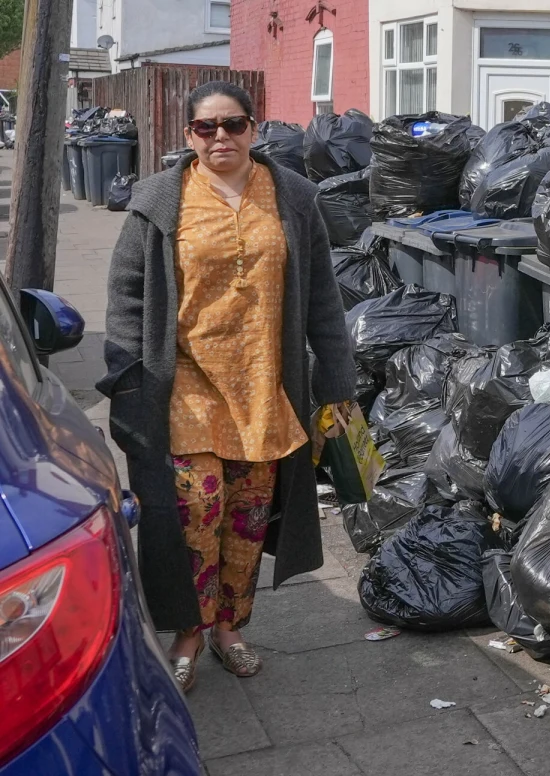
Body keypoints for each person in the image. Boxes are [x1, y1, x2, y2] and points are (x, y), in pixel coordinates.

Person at [98, 81, 356, 692]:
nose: (221, 138)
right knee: (195, 506)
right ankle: (188, 628)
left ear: (254, 128)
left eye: (234, 125)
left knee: (246, 516)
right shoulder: (159, 201)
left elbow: (322, 295)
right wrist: (129, 384)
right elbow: (127, 297)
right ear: (188, 136)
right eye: (207, 128)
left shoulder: (293, 196)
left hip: (265, 385)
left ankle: (229, 627)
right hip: (184, 379)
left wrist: (336, 379)